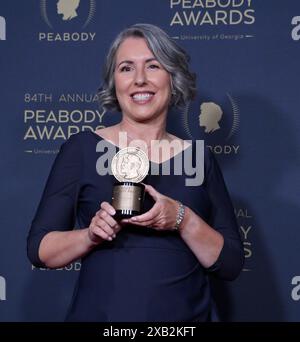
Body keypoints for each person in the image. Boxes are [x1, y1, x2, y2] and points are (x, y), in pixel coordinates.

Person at [27, 23, 244, 322]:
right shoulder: (82, 149)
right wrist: (91, 236)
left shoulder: (199, 157)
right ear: (114, 82)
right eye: (126, 68)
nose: (139, 80)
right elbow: (40, 250)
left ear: (173, 77)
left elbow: (230, 263)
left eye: (152, 66)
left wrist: (182, 218)